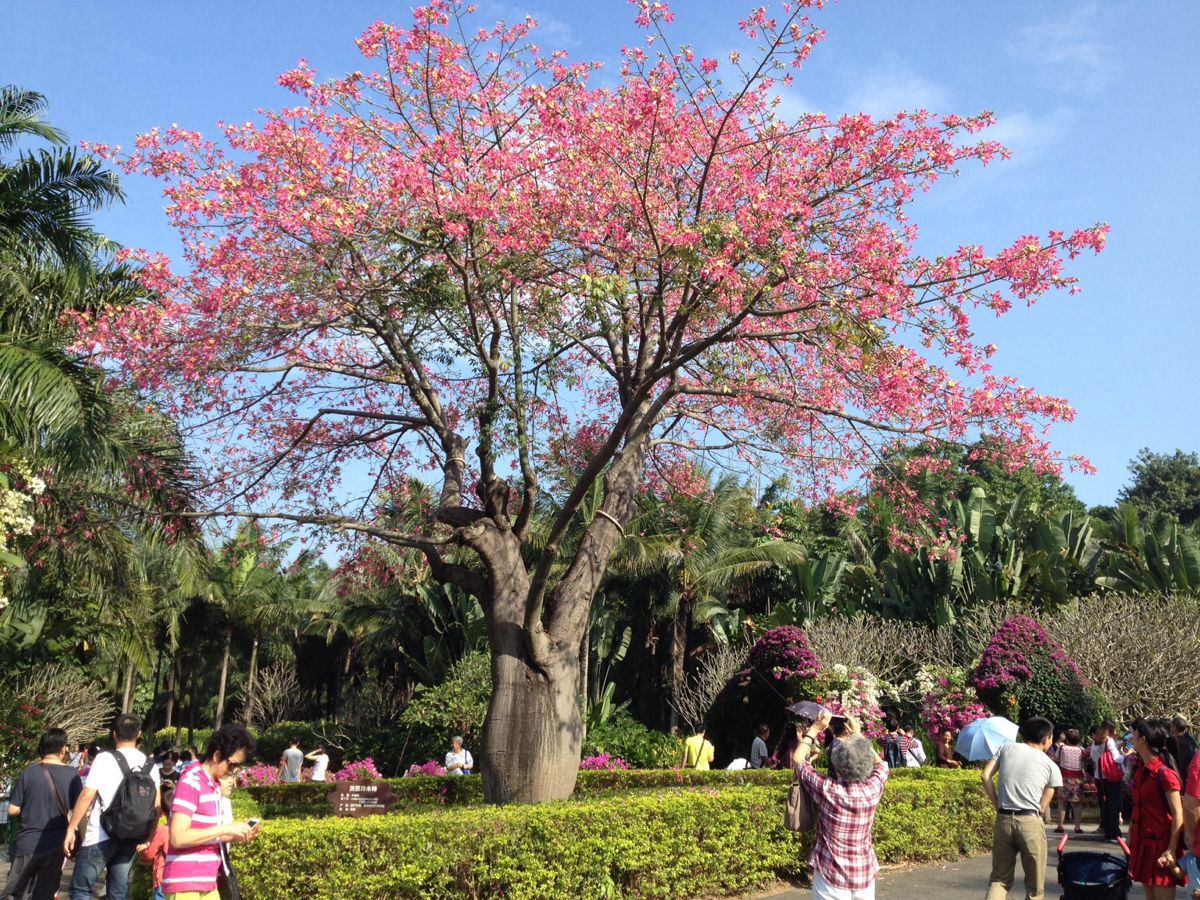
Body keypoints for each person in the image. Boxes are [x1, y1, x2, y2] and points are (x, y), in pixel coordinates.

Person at [64, 713, 162, 900]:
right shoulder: (150, 765)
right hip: (131, 837)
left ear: (114, 733)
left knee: (81, 889)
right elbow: (156, 807)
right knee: (118, 893)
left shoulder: (104, 759)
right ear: (139, 733)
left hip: (99, 836)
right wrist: (148, 837)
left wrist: (71, 829)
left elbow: (87, 796)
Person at [792, 711, 888, 900]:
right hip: (864, 874)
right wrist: (859, 735)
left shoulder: (829, 790)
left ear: (836, 765)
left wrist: (815, 728)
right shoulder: (872, 789)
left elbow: (798, 760)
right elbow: (881, 766)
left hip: (830, 875)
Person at [164, 723, 260, 899]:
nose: (234, 771)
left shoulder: (213, 785)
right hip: (186, 882)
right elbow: (178, 837)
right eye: (232, 765)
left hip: (207, 880)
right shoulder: (190, 781)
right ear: (216, 756)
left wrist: (236, 834)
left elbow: (206, 835)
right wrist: (223, 828)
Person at [981, 716, 1062, 900]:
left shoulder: (1006, 748)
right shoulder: (1050, 765)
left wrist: (998, 804)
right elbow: (1049, 793)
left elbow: (985, 776)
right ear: (1047, 738)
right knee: (1035, 888)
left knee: (999, 880)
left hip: (1004, 819)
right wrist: (1039, 811)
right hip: (1030, 821)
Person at [3, 727, 82, 900]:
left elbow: (12, 809)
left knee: (15, 892)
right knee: (45, 893)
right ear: (63, 749)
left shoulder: (29, 772)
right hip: (56, 844)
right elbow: (79, 808)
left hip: (27, 842)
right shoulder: (72, 774)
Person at [1127, 718, 1185, 900]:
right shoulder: (1139, 770)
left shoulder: (1165, 775)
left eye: (1134, 734)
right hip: (1142, 843)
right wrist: (1130, 838)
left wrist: (1171, 849)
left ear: (1143, 739)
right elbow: (1137, 809)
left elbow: (1178, 814)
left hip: (1161, 847)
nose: (1131, 738)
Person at [137, 780, 175, 900]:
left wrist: (143, 850)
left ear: (163, 811)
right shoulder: (187, 829)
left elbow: (150, 853)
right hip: (179, 880)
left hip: (162, 878)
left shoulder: (163, 830)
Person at [1091, 720, 1125, 841]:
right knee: (1114, 805)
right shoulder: (1109, 741)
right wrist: (1124, 754)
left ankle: (1107, 830)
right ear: (1110, 730)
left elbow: (1093, 758)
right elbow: (1117, 759)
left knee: (1104, 805)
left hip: (1099, 777)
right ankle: (1114, 833)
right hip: (1111, 777)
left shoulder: (1095, 742)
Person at [1056, 728, 1087, 835]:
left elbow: (1057, 759)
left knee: (1062, 803)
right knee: (1077, 804)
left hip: (1064, 778)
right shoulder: (1082, 750)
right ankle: (1077, 827)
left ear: (1067, 739)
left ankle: (1060, 826)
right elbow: (1085, 762)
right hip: (1078, 779)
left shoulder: (1062, 748)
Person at [1172, 716, 1198, 787]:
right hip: (1192, 775)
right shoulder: (1190, 740)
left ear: (1174, 727)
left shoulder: (1172, 741)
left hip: (1181, 777)